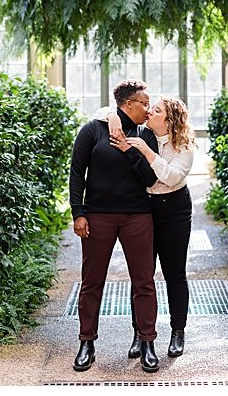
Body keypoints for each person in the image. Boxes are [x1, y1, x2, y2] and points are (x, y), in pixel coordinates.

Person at [69, 80, 161, 373]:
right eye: (144, 103)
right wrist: (78, 213)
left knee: (144, 282)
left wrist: (129, 150)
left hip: (137, 216)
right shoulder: (92, 130)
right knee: (92, 281)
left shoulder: (146, 135)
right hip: (98, 216)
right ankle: (87, 343)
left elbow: (150, 177)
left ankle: (147, 342)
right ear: (128, 103)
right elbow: (76, 173)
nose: (148, 110)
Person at [97, 95, 196, 359]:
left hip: (175, 209)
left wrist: (146, 151)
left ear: (170, 118)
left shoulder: (183, 146)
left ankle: (178, 331)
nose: (150, 111)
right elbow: (104, 110)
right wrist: (113, 116)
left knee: (175, 273)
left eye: (157, 109)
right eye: (150, 107)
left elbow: (172, 177)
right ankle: (140, 334)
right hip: (145, 208)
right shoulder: (143, 133)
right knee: (142, 275)